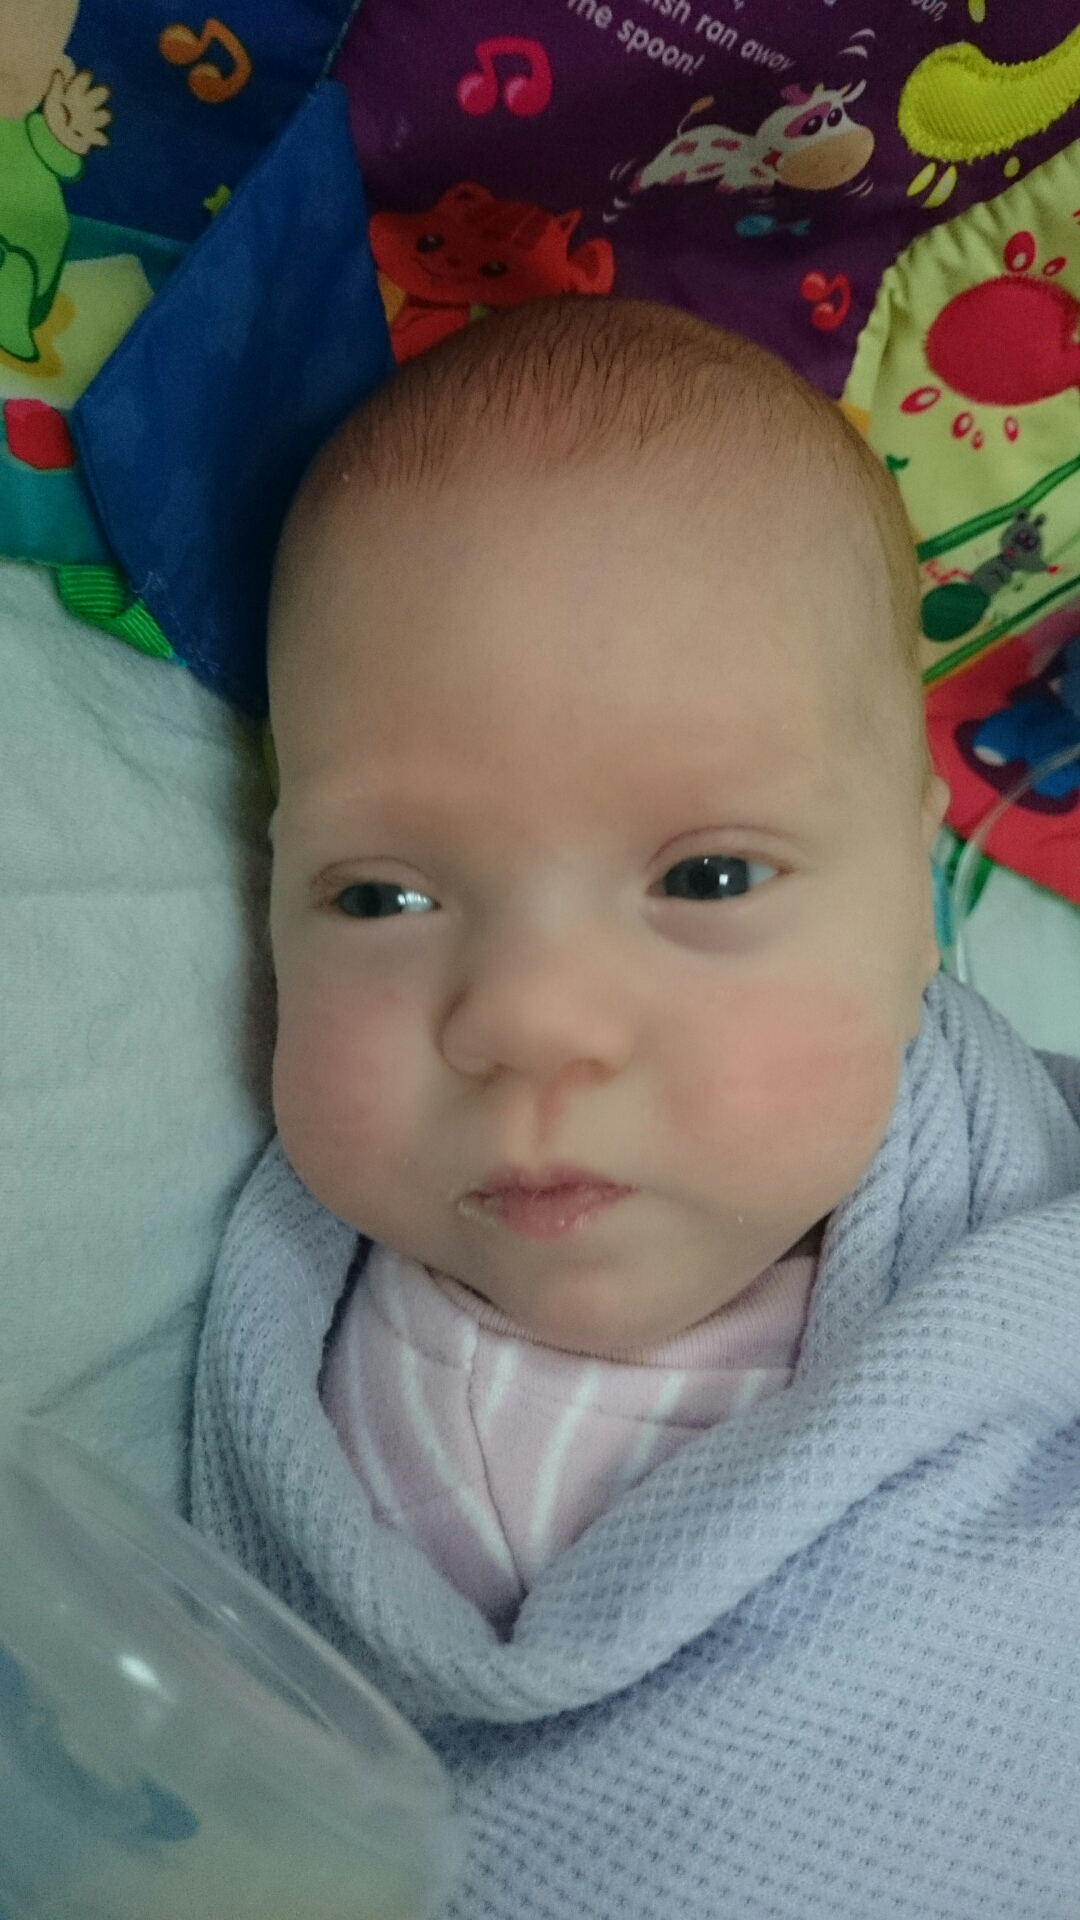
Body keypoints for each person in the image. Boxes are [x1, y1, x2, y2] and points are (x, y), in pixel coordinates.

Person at [191, 298, 1080, 1919]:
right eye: (382, 897)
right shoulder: (367, 1430)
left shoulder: (1018, 1225)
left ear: (916, 903)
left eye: (710, 876)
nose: (527, 1023)